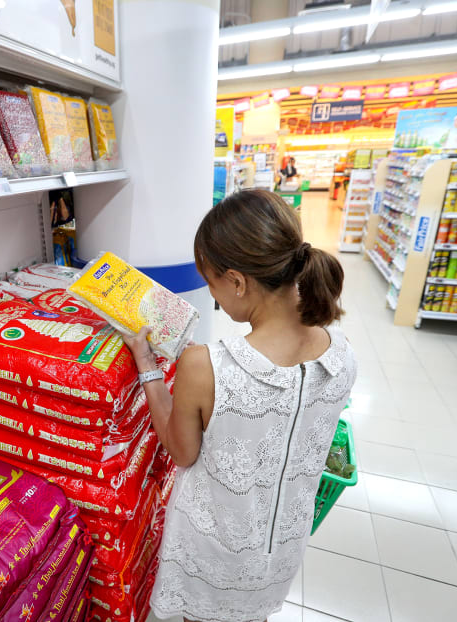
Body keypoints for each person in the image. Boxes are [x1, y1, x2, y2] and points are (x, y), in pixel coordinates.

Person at [123, 189, 357, 622]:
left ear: (237, 281)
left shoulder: (204, 366)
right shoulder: (341, 354)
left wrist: (147, 366)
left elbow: (181, 451)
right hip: (280, 551)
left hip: (211, 556)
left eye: (211, 283)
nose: (214, 296)